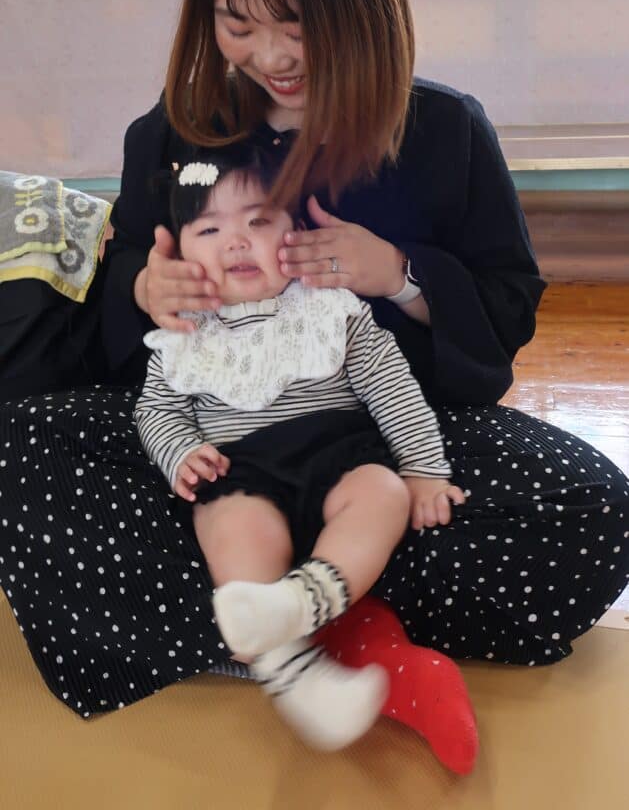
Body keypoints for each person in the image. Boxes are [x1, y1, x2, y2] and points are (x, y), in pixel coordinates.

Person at [1, 0, 627, 754]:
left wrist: (399, 274)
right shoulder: (171, 136)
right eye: (237, 24)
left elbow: (503, 313)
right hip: (219, 456)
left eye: (298, 23)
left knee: (589, 509)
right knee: (22, 446)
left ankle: (276, 622)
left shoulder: (442, 130)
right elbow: (126, 311)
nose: (271, 56)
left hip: (382, 446)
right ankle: (331, 623)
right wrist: (146, 286)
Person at [134, 140, 468, 751]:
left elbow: (392, 388)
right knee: (228, 525)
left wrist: (424, 469)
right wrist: (180, 452)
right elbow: (156, 409)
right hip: (241, 471)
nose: (237, 242)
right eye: (209, 229)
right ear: (178, 255)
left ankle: (300, 604)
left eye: (259, 222)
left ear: (297, 234)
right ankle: (289, 666)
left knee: (384, 492)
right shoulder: (181, 333)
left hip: (337, 459)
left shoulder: (330, 310)